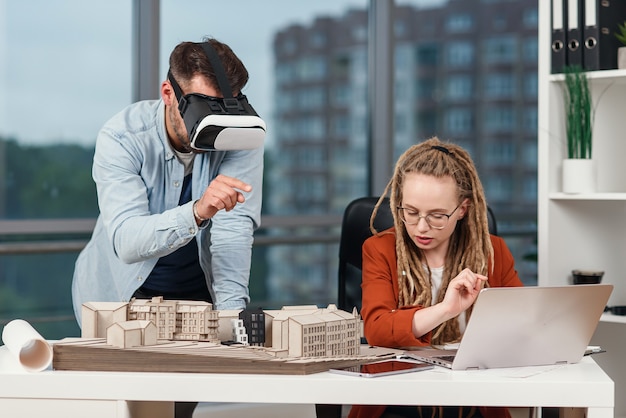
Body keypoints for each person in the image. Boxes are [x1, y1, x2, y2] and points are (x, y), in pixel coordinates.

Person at [71, 38, 263, 418]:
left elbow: (233, 233)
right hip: (121, 297)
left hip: (195, 298)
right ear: (168, 94)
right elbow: (126, 241)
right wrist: (197, 210)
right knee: (126, 410)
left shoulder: (239, 134)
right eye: (202, 106)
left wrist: (236, 328)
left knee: (175, 411)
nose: (214, 122)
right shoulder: (122, 137)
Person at [348, 137, 523, 418]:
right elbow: (377, 330)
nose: (421, 227)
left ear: (462, 210)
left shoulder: (493, 252)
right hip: (396, 398)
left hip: (473, 400)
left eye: (437, 216)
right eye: (411, 212)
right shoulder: (380, 248)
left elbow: (522, 324)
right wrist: (445, 310)